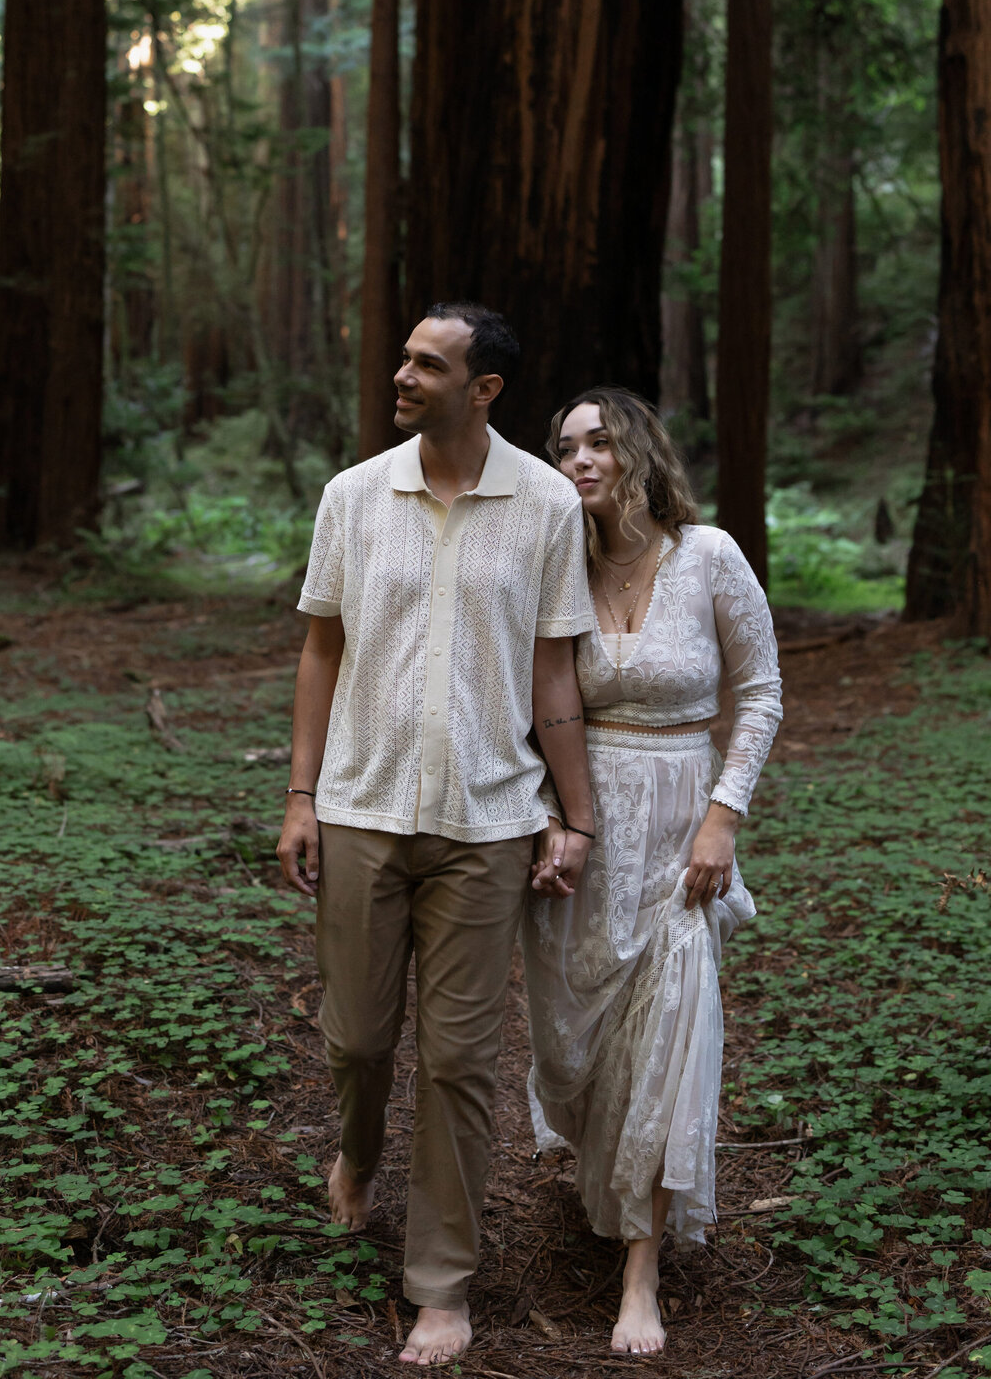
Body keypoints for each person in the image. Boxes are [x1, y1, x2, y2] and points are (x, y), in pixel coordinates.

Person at [276, 303, 598, 1367]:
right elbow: (321, 650)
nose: (402, 374)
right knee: (361, 1038)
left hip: (489, 823)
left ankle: (442, 1283)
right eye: (406, 357)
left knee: (459, 1060)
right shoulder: (354, 497)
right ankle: (358, 1152)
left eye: (428, 362)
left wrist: (575, 812)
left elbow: (555, 672)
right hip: (363, 809)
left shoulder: (547, 505)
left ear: (486, 388)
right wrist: (300, 793)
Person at [521, 386, 782, 1356]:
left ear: (638, 453)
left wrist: (723, 817)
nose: (580, 459)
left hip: (682, 829)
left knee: (671, 1035)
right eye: (564, 447)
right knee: (581, 1055)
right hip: (584, 828)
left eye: (599, 442)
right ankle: (608, 1181)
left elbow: (760, 694)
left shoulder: (708, 556)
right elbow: (534, 711)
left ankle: (642, 1271)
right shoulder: (557, 571)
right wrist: (550, 818)